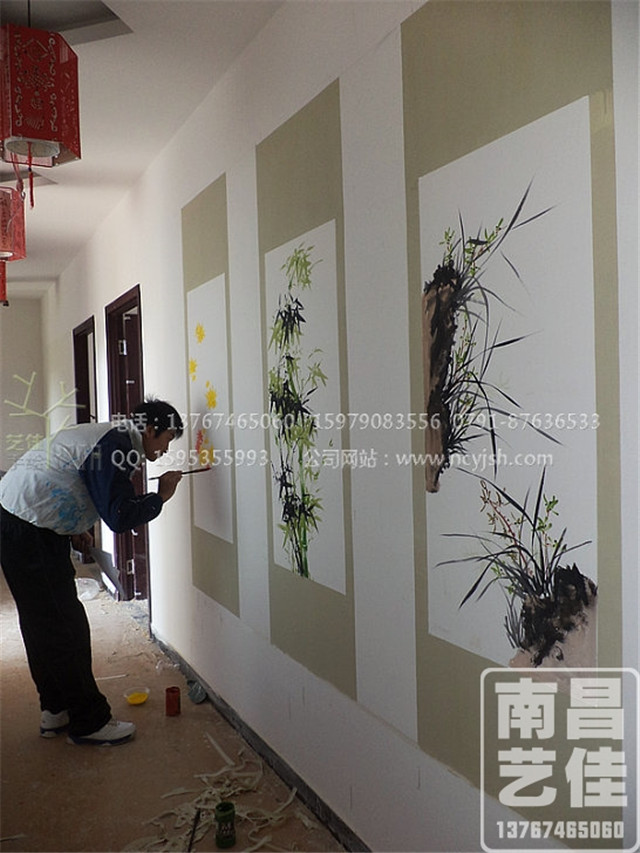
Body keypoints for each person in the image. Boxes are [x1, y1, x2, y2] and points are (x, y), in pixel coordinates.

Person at [0, 398, 184, 745]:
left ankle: (56, 709)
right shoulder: (117, 447)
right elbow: (119, 516)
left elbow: (77, 479)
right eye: (167, 439)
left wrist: (75, 528)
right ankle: (89, 722)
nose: (166, 450)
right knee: (65, 626)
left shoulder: (111, 438)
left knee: (42, 623)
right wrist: (160, 497)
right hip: (29, 528)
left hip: (20, 520)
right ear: (150, 430)